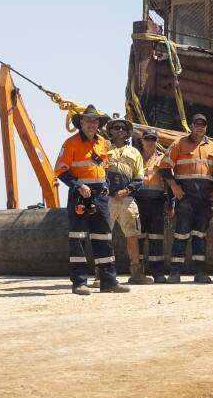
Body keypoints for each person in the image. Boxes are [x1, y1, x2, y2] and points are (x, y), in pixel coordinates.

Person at [53, 105, 127, 295]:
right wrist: (79, 185)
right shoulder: (70, 143)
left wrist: (108, 187)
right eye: (88, 120)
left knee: (104, 237)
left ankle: (109, 282)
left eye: (95, 121)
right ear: (81, 123)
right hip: (80, 195)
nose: (92, 124)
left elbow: (106, 168)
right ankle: (79, 283)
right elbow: (61, 170)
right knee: (78, 238)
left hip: (100, 196)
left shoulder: (104, 143)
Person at [160, 113, 213, 284]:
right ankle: (175, 272)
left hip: (204, 198)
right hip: (185, 197)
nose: (199, 127)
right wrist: (174, 187)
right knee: (181, 234)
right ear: (191, 126)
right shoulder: (179, 144)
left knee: (200, 235)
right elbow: (164, 168)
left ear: (206, 128)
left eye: (202, 125)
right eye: (196, 124)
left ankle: (200, 272)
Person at [103, 113, 153, 285]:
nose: (120, 130)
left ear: (127, 133)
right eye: (116, 128)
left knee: (132, 235)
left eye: (123, 128)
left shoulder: (134, 152)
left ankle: (136, 273)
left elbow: (139, 178)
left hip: (127, 199)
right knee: (103, 236)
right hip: (106, 199)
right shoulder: (103, 148)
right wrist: (107, 191)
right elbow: (96, 173)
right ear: (110, 131)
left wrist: (126, 191)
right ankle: (101, 274)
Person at [134, 127, 169, 283]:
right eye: (147, 139)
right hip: (139, 202)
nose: (149, 142)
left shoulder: (162, 159)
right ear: (142, 141)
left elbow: (169, 183)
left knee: (157, 238)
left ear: (157, 141)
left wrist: (171, 204)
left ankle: (158, 272)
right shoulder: (135, 158)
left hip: (157, 203)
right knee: (138, 238)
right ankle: (138, 272)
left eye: (152, 139)